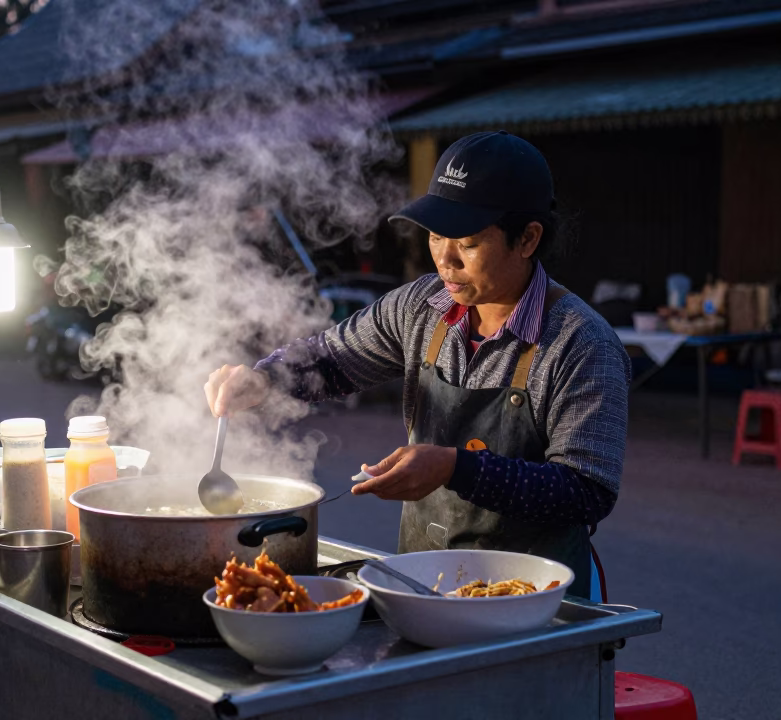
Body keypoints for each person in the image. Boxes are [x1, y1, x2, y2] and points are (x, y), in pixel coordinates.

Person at [203, 132, 630, 599]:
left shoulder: (581, 342)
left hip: (537, 600)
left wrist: (456, 468)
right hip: (424, 585)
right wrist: (264, 378)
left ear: (527, 238)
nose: (445, 260)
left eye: (466, 243)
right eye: (435, 235)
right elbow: (329, 360)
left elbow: (586, 490)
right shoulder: (419, 308)